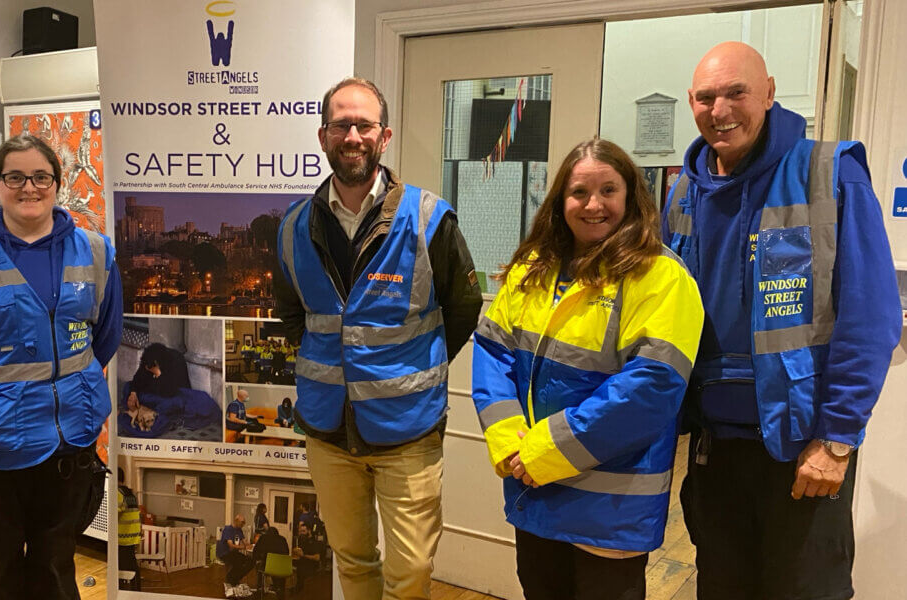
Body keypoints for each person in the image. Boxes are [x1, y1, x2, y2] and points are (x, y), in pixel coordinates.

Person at [663, 42, 900, 600]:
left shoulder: (829, 173)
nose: (720, 110)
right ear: (691, 104)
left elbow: (871, 317)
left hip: (803, 451)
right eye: (706, 97)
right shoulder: (681, 192)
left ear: (769, 93)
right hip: (713, 450)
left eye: (736, 92)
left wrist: (838, 438)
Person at [274, 76, 481, 600]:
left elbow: (463, 308)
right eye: (341, 124)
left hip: (407, 432)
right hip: (328, 431)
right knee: (354, 562)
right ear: (323, 136)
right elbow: (292, 314)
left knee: (410, 572)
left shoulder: (429, 219)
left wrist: (419, 366)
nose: (353, 136)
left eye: (364, 125)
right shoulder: (293, 226)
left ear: (383, 136)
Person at [473, 138, 703, 599]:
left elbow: (650, 389)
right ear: (560, 200)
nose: (593, 204)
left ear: (631, 197)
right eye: (579, 192)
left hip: (609, 511)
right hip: (533, 490)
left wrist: (545, 452)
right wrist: (508, 441)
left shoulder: (662, 277)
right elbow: (492, 352)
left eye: (608, 191)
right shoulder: (530, 269)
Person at [0, 133, 123, 599]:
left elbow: (105, 338)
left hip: (68, 441)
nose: (28, 187)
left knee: (56, 565)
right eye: (15, 177)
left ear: (58, 184)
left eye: (40, 176)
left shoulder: (96, 252)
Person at [217, 514, 255, 598]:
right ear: (236, 521)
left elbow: (245, 542)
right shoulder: (228, 529)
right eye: (242, 522)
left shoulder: (239, 530)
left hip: (233, 553)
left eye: (244, 523)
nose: (243, 524)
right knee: (238, 562)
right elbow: (231, 545)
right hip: (225, 553)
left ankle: (235, 578)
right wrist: (245, 547)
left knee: (250, 561)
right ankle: (231, 580)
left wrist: (252, 545)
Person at [118, 467, 142, 591]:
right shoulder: (130, 494)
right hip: (132, 537)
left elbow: (112, 515)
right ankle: (136, 590)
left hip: (122, 538)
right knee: (132, 566)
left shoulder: (118, 494)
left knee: (123, 569)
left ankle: (128, 592)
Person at [253, 526, 291, 595]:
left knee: (260, 566)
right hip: (283, 568)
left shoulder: (263, 538)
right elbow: (287, 553)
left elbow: (256, 552)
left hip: (269, 567)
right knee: (278, 568)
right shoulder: (283, 539)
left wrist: (259, 558)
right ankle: (280, 589)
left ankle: (260, 589)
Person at [292, 521, 327, 594]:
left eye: (304, 531)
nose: (301, 533)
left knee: (301, 568)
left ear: (309, 531)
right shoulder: (302, 540)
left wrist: (303, 555)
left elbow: (317, 558)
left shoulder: (315, 543)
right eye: (300, 531)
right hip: (302, 565)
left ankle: (300, 589)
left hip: (311, 566)